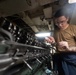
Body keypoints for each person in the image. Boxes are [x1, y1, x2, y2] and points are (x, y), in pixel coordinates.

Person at [45, 9, 76, 75]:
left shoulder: (74, 28)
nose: (59, 25)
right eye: (57, 23)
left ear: (67, 18)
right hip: (60, 58)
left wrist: (70, 48)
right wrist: (52, 42)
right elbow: (56, 45)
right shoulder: (55, 32)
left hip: (72, 58)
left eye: (62, 22)